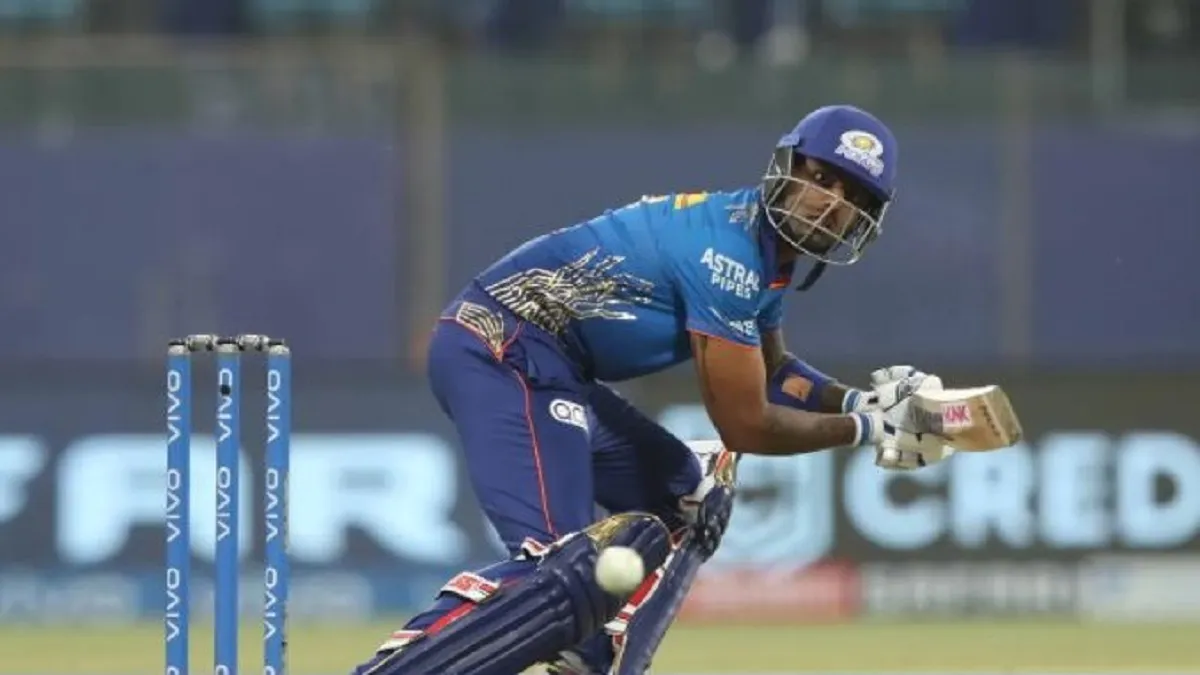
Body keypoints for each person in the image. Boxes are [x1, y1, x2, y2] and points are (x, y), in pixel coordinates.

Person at [353, 104, 950, 675]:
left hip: (555, 369)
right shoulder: (728, 257)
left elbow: (776, 372)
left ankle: (597, 661)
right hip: (502, 351)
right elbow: (745, 425)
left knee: (692, 499)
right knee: (558, 576)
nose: (830, 202)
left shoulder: (763, 258)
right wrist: (870, 429)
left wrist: (860, 401)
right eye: (820, 178)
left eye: (852, 197)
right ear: (787, 167)